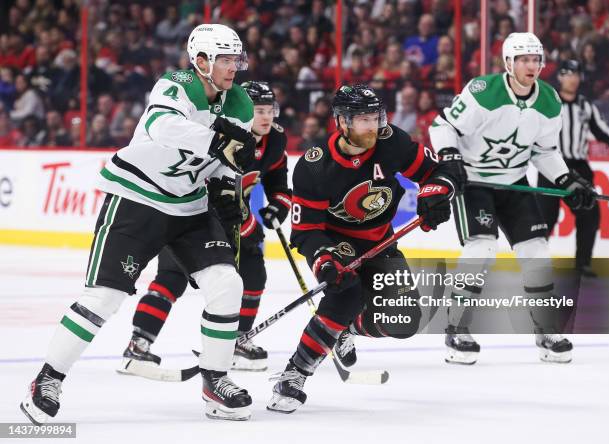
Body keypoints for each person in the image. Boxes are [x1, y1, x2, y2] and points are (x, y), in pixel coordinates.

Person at [20, 23, 257, 423]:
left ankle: (215, 381)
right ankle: (46, 379)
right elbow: (159, 127)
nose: (233, 67)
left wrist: (224, 188)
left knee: (227, 284)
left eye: (237, 58)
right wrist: (216, 141)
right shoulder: (177, 84)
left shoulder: (241, 105)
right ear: (200, 61)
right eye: (225, 59)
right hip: (137, 198)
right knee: (104, 298)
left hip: (189, 207)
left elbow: (225, 161)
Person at [267, 84, 465, 414]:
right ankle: (293, 375)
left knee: (404, 321)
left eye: (375, 117)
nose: (372, 126)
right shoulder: (315, 165)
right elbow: (306, 231)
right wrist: (325, 263)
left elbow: (439, 170)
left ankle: (348, 325)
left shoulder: (392, 142)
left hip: (380, 240)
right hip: (336, 242)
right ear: (342, 122)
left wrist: (433, 194)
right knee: (345, 294)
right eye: (363, 120)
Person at [428, 33, 598, 365]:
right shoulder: (483, 92)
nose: (531, 65)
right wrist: (449, 157)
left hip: (515, 181)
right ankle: (456, 327)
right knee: (482, 247)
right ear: (508, 62)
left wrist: (568, 180)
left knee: (536, 250)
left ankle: (545, 330)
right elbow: (442, 125)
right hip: (473, 182)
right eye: (523, 59)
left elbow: (544, 152)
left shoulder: (549, 100)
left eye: (536, 59)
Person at [117, 81, 291, 373]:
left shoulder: (275, 141)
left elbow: (279, 183)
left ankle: (237, 339)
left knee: (253, 273)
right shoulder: (222, 134)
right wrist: (247, 224)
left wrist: (278, 207)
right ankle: (139, 344)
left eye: (269, 110)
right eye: (258, 111)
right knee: (173, 276)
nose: (265, 117)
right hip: (192, 213)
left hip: (235, 217)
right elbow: (208, 187)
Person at [537, 60, 609, 278]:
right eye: (568, 74)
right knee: (545, 218)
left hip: (578, 167)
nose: (573, 78)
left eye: (576, 74)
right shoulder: (549, 103)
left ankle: (583, 264)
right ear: (560, 77)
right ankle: (537, 265)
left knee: (589, 214)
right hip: (551, 165)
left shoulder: (585, 105)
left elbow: (602, 132)